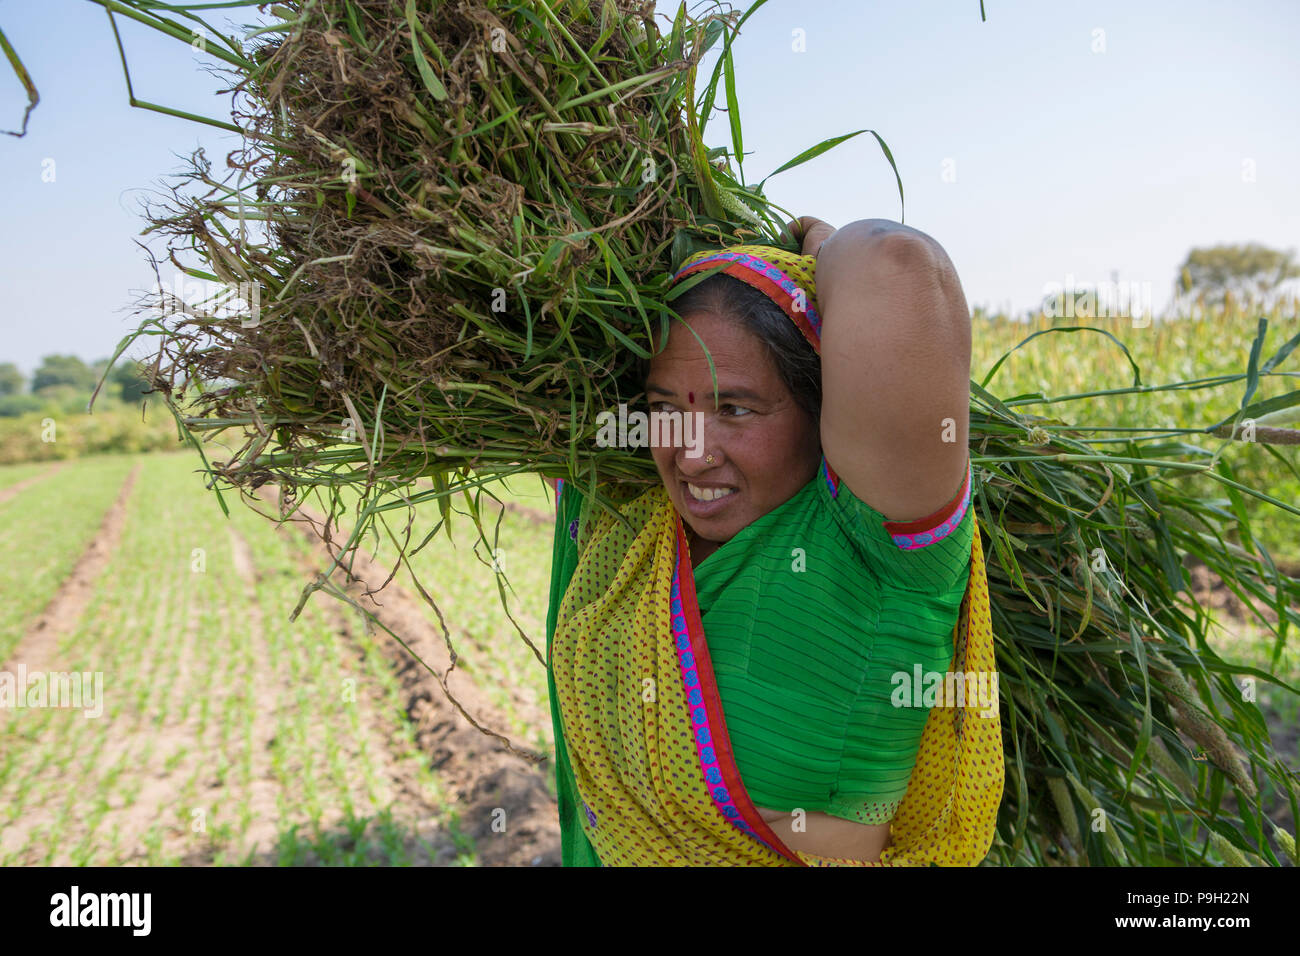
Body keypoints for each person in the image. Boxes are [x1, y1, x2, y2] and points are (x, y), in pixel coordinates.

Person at [543, 217, 1003, 866]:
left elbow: (897, 263)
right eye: (666, 409)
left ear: (824, 412)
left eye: (735, 409)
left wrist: (817, 246)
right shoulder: (640, 531)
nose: (693, 456)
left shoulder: (875, 547)